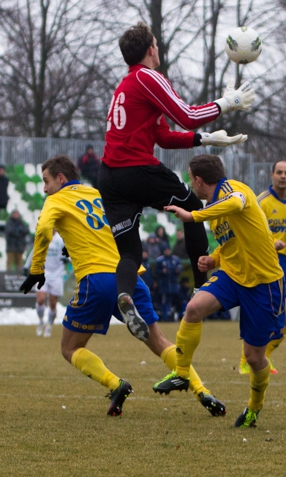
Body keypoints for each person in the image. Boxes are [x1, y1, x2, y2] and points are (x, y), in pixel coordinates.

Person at [20, 155, 226, 417]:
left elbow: (43, 230)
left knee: (70, 348)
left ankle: (115, 384)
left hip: (95, 279)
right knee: (161, 342)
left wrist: (36, 268)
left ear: (61, 179)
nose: (45, 188)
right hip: (127, 276)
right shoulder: (98, 193)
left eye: (46, 181)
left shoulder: (56, 200)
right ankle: (201, 390)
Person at [98, 22, 253, 340]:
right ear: (151, 49)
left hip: (110, 176)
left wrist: (207, 139)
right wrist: (226, 103)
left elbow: (164, 137)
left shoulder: (127, 85)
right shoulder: (147, 77)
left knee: (130, 252)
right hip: (136, 168)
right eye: (156, 43)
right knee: (192, 206)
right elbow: (187, 115)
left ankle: (124, 296)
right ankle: (201, 288)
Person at [152, 154, 283, 428]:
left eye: (191, 180)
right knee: (193, 308)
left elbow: (237, 202)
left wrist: (192, 216)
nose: (191, 184)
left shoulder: (234, 190)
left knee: (254, 357)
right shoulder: (214, 204)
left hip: (263, 283)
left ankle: (253, 408)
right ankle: (182, 372)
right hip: (233, 276)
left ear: (199, 181)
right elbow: (232, 241)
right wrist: (214, 259)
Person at [239, 160, 286, 376]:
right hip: (264, 261)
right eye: (279, 172)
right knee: (262, 313)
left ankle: (263, 355)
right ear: (272, 175)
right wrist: (270, 242)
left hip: (285, 263)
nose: (283, 176)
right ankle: (246, 358)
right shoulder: (260, 201)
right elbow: (250, 231)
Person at [29, 229, 66, 338]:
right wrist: (29, 267)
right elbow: (34, 252)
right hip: (43, 273)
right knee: (40, 299)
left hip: (57, 274)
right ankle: (41, 321)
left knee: (53, 303)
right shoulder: (42, 237)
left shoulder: (61, 239)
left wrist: (67, 259)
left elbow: (69, 251)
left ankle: (49, 325)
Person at [155, 246, 182, 321]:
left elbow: (180, 269)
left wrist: (178, 270)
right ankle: (164, 317)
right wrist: (162, 272)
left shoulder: (175, 259)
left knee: (174, 301)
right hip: (164, 285)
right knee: (164, 301)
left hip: (174, 285)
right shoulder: (160, 260)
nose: (167, 252)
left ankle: (173, 316)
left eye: (168, 250)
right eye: (166, 250)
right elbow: (156, 271)